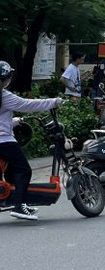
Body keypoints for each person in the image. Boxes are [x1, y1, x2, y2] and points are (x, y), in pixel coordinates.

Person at [0, 61, 63, 221]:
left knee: (11, 171)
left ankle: (17, 199)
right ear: (6, 78)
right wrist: (54, 102)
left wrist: (12, 121)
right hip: (3, 141)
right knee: (24, 170)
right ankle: (19, 206)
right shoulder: (3, 95)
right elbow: (28, 104)